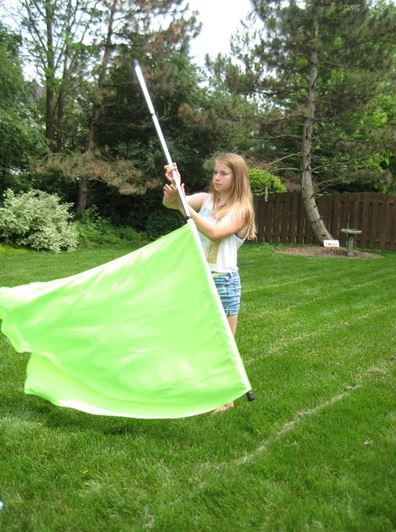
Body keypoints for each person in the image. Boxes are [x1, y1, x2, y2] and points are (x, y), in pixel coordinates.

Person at [163, 153, 256, 413]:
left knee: (223, 341)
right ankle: (196, 383)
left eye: (223, 174)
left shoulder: (241, 210)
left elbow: (214, 231)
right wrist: (175, 188)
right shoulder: (206, 200)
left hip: (224, 281)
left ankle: (227, 397)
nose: (216, 177)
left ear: (237, 177)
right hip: (200, 277)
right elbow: (171, 204)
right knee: (194, 334)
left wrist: (185, 208)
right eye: (214, 173)